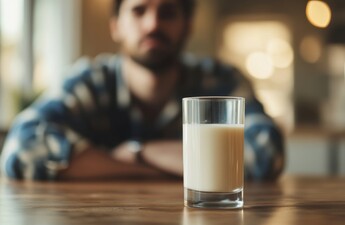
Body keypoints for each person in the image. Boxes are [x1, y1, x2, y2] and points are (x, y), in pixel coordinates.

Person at [0, 0, 284, 181]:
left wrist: (140, 152)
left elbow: (265, 153)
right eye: (139, 10)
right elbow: (21, 150)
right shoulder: (90, 82)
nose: (153, 24)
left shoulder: (221, 82)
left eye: (168, 12)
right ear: (116, 27)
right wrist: (153, 170)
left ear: (188, 27)